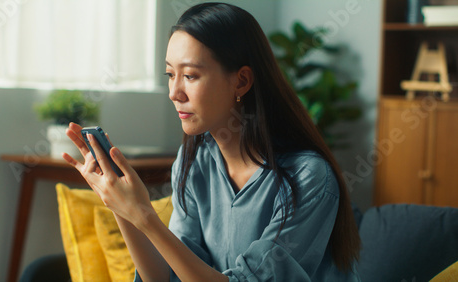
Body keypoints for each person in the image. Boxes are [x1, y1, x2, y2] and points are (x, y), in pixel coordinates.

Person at [63, 2, 361, 281]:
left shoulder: (308, 177)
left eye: (190, 76)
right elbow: (168, 276)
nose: (174, 92)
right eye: (170, 74)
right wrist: (122, 208)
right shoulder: (195, 162)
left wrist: (145, 216)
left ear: (241, 81)